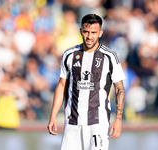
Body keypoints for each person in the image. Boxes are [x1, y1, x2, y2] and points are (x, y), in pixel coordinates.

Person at [47, 14, 126, 150]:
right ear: (81, 31)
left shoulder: (110, 56)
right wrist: (53, 115)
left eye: (94, 33)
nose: (89, 37)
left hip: (97, 122)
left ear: (100, 33)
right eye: (86, 32)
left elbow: (119, 89)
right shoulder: (69, 55)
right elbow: (61, 86)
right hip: (72, 122)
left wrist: (118, 120)